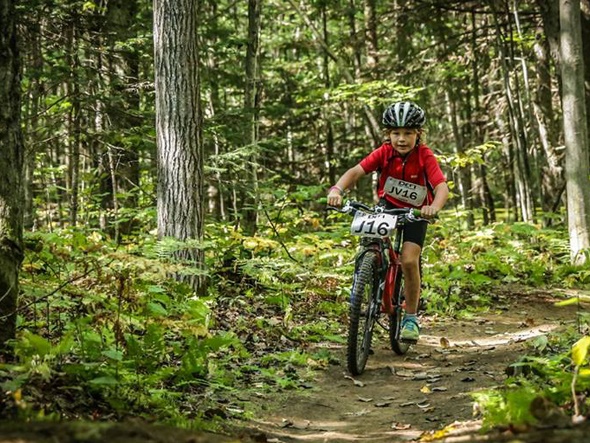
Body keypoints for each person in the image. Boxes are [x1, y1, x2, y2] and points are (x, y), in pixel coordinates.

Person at [327, 101, 449, 343]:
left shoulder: (424, 155)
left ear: (418, 134)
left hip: (417, 212)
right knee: (371, 244)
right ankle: (369, 277)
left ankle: (411, 317)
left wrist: (433, 208)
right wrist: (337, 189)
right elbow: (356, 171)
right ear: (388, 134)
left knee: (409, 260)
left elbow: (441, 186)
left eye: (408, 133)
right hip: (388, 207)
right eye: (396, 133)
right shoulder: (384, 152)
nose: (401, 139)